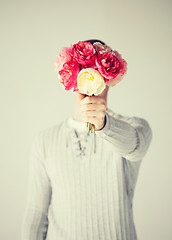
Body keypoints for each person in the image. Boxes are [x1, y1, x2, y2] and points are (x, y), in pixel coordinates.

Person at [21, 39, 153, 240]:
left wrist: (104, 125)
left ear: (110, 77)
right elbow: (36, 214)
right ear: (71, 78)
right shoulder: (45, 141)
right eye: (84, 70)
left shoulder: (135, 128)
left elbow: (135, 147)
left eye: (97, 70)